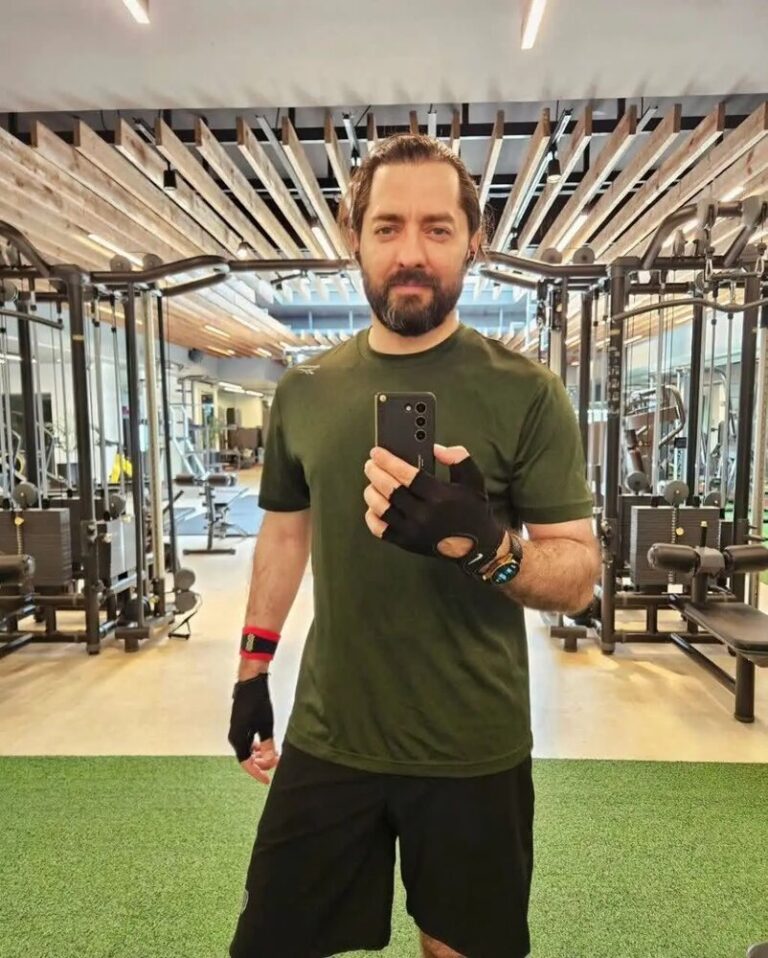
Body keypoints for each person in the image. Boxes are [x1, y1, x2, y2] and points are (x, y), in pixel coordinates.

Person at [227, 133, 600, 958]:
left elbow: (578, 574)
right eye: (388, 227)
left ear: (474, 241)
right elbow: (285, 532)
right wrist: (252, 671)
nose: (411, 254)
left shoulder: (527, 392)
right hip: (331, 734)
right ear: (354, 238)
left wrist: (488, 546)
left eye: (437, 228)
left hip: (472, 745)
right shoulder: (306, 390)